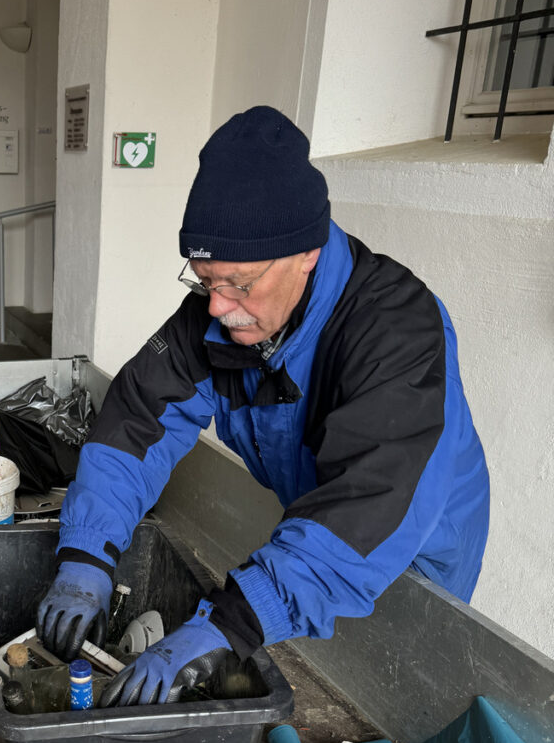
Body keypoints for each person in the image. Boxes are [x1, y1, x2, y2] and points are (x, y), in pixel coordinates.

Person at [37, 106, 489, 706]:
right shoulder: (226, 315)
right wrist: (86, 551)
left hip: (406, 564)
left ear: (307, 252)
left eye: (240, 284)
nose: (217, 307)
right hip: (312, 548)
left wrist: (234, 623)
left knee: (378, 710)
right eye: (205, 281)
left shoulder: (396, 331)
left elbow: (369, 505)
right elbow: (140, 420)